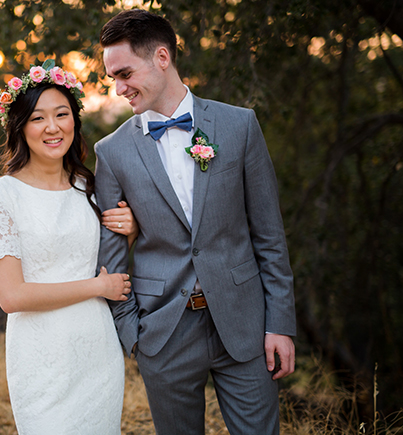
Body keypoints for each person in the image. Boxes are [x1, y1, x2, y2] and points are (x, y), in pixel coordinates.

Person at [94, 9, 297, 434]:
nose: (118, 88)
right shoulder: (111, 152)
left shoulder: (239, 125)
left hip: (245, 325)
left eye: (125, 73)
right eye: (112, 77)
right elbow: (111, 258)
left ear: (162, 57)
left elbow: (269, 236)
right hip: (163, 333)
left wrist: (279, 323)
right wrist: (134, 334)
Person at [0, 59, 137, 434]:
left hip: (97, 351)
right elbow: (11, 296)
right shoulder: (1, 194)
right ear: (19, 127)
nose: (52, 127)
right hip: (40, 355)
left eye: (61, 114)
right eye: (37, 118)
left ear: (74, 121)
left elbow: (106, 251)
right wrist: (98, 287)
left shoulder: (91, 187)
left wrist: (129, 230)